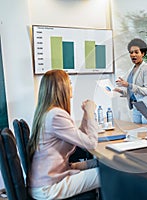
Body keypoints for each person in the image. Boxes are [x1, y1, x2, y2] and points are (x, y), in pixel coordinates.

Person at [27, 70, 100, 199]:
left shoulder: (49, 112)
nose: (71, 86)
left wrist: (85, 114)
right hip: (48, 187)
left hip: (52, 175)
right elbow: (91, 144)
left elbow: (81, 137)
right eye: (69, 83)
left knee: (100, 163)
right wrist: (90, 113)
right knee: (107, 173)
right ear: (61, 87)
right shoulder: (55, 116)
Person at [114, 38, 147, 124]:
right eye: (131, 52)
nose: (133, 55)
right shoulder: (132, 69)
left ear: (143, 53)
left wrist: (128, 85)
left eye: (136, 52)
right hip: (136, 106)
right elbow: (134, 92)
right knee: (137, 132)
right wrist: (121, 92)